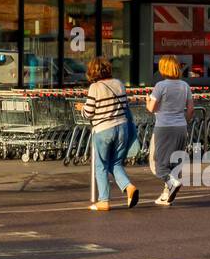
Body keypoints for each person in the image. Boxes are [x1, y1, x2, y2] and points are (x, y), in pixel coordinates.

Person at [79, 57, 139, 211]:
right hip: (122, 128)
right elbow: (125, 106)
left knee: (101, 165)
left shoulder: (95, 87)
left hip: (104, 129)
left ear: (93, 71)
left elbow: (89, 112)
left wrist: (81, 108)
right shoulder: (119, 84)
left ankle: (104, 201)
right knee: (116, 163)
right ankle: (129, 187)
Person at [146, 55, 194, 205]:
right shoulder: (184, 86)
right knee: (174, 163)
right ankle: (166, 194)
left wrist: (147, 101)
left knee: (158, 164)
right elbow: (191, 109)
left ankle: (171, 182)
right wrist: (182, 121)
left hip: (164, 128)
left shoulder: (161, 86)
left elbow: (151, 108)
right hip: (181, 127)